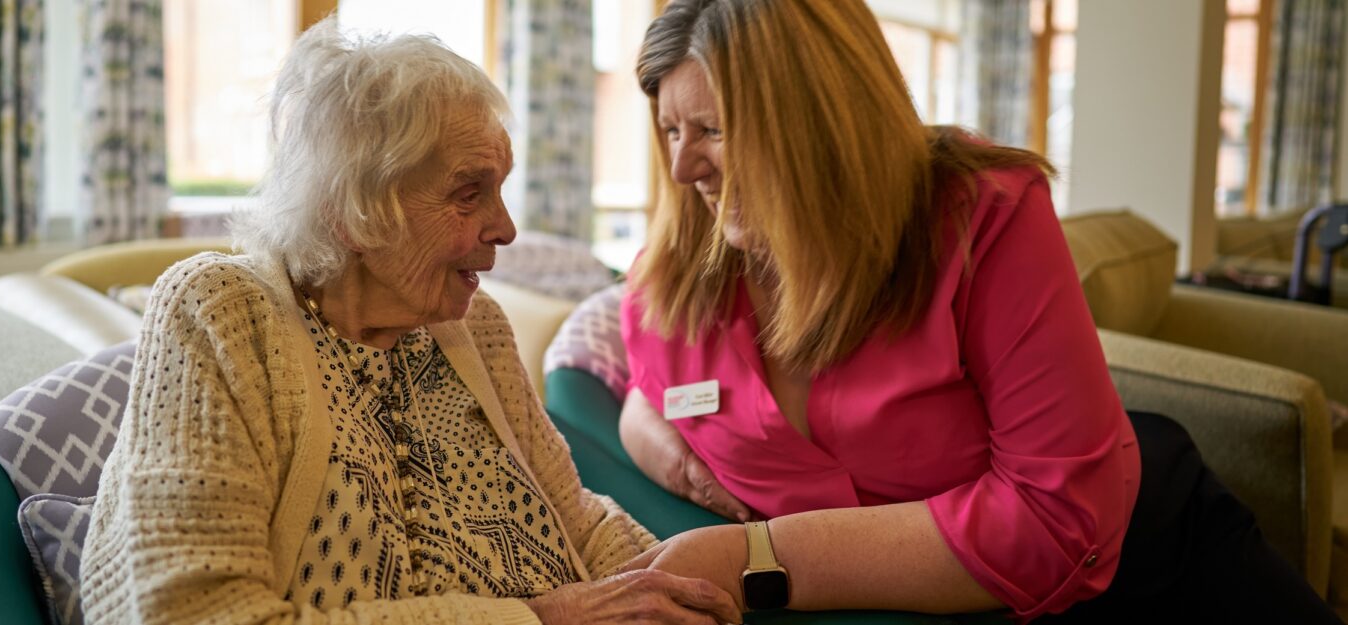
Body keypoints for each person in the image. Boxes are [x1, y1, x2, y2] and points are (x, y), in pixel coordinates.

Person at [614, 1, 1340, 623]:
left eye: (711, 129)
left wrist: (759, 557)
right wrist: (649, 432)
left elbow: (1054, 523)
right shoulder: (674, 272)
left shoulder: (981, 214)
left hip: (1135, 564)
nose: (683, 167)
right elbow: (610, 369)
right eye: (670, 131)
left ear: (819, 119)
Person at [80, 21, 743, 625]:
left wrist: (677, 588)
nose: (506, 228)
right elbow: (193, 612)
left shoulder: (474, 325)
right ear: (356, 212)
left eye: (502, 188)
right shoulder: (221, 313)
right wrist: (544, 617)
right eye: (468, 193)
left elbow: (579, 517)